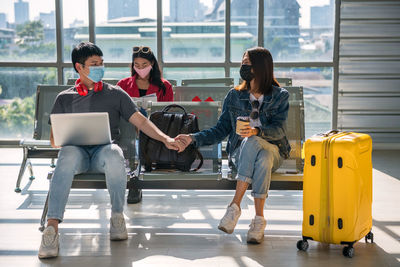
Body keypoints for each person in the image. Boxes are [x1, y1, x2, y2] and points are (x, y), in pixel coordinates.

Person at [38, 42, 183, 259]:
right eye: (94, 64)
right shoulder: (64, 98)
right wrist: (64, 137)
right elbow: (53, 141)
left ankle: (117, 216)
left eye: (101, 63)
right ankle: (52, 228)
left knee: (115, 153)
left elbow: (141, 122)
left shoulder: (116, 94)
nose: (100, 67)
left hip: (102, 153)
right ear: (79, 67)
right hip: (75, 154)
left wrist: (165, 138)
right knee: (66, 154)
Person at [176, 47, 291, 244]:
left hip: (274, 151)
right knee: (260, 157)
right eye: (242, 62)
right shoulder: (234, 96)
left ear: (261, 67)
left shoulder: (280, 96)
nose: (243, 66)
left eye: (247, 63)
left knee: (256, 142)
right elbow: (220, 130)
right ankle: (259, 220)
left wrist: (257, 131)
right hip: (242, 154)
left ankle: (235, 206)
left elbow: (279, 131)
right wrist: (193, 138)